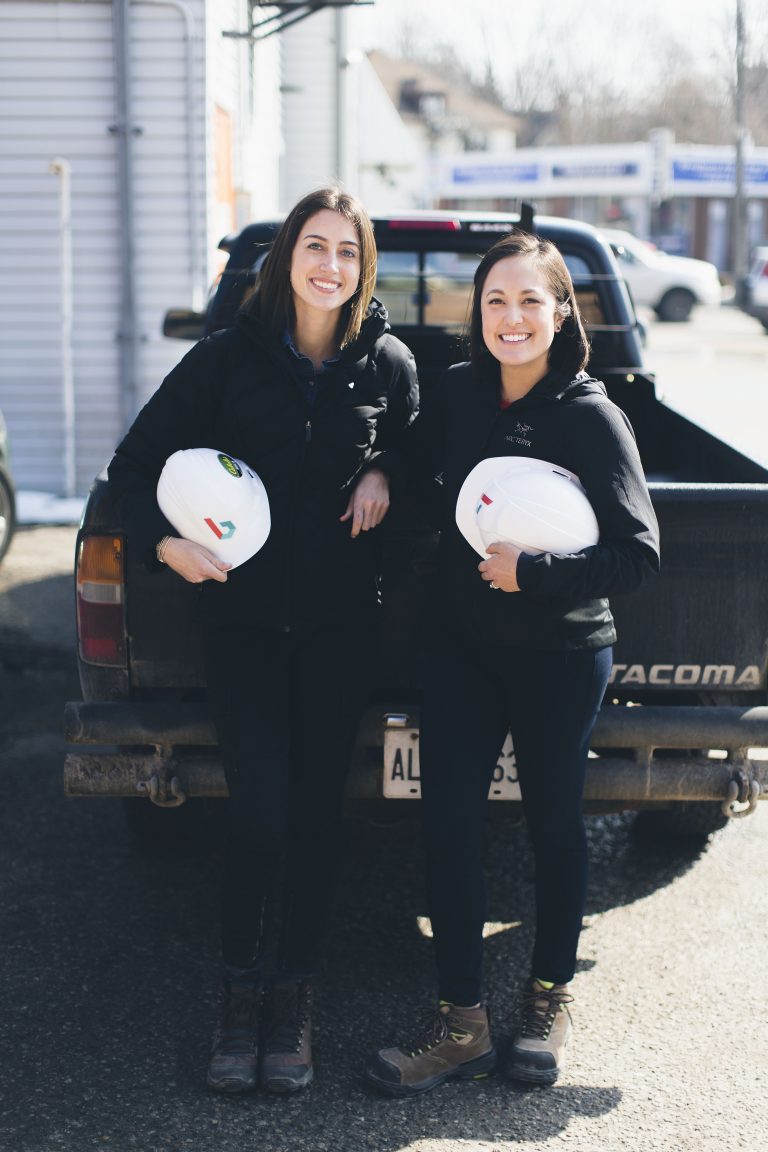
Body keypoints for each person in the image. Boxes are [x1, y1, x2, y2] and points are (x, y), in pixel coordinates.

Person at [107, 187, 418, 1095]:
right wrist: (164, 544)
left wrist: (390, 471)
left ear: (364, 269)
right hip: (242, 630)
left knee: (320, 821)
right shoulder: (222, 362)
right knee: (256, 817)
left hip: (337, 631)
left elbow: (428, 455)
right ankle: (239, 994)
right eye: (313, 246)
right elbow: (134, 471)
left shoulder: (387, 365)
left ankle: (294, 1000)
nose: (330, 265)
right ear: (285, 258)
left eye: (347, 252)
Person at [366, 230, 660, 1097]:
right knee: (449, 827)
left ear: (562, 310)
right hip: (461, 649)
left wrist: (534, 572)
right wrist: (380, 469)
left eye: (532, 299)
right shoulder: (457, 395)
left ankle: (546, 1002)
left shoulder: (591, 416)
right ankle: (460, 1026)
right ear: (479, 314)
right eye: (496, 300)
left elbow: (639, 555)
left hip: (562, 655)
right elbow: (414, 465)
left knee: (555, 827)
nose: (512, 317)